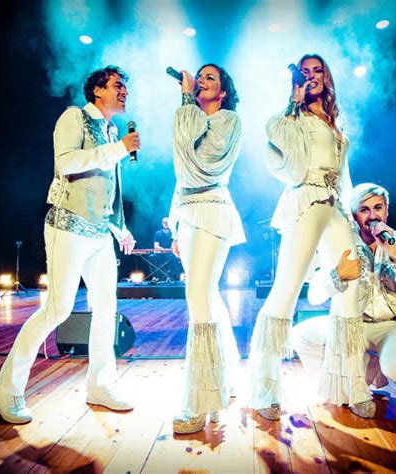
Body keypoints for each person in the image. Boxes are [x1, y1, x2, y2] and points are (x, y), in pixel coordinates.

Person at [0, 65, 140, 424]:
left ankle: (100, 386)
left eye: (125, 87)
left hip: (99, 233)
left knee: (106, 308)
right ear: (97, 91)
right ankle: (7, 388)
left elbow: (107, 190)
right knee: (57, 309)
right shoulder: (74, 117)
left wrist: (120, 228)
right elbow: (67, 164)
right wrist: (118, 149)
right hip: (68, 226)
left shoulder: (112, 130)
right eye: (117, 85)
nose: (124, 91)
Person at [248, 54, 369, 421]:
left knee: (351, 289)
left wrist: (350, 216)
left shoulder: (334, 122)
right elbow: (274, 134)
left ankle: (352, 385)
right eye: (306, 72)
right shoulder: (293, 117)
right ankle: (265, 388)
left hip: (335, 207)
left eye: (318, 71)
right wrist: (293, 102)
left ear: (327, 78)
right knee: (285, 292)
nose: (312, 76)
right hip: (306, 201)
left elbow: (344, 176)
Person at [292, 183, 396, 420]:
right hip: (352, 325)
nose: (372, 216)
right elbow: (314, 295)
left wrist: (394, 254)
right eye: (364, 209)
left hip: (392, 325)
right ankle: (346, 385)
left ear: (387, 211)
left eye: (378, 208)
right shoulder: (342, 244)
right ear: (354, 215)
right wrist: (337, 275)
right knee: (302, 335)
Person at [169, 63, 245, 434]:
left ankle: (201, 401)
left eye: (209, 77)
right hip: (187, 213)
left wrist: (187, 99)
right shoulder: (189, 117)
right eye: (199, 77)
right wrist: (175, 225)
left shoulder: (229, 121)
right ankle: (224, 382)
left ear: (223, 91)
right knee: (208, 298)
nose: (200, 80)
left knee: (198, 298)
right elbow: (181, 172)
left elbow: (202, 164)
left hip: (213, 210)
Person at [147, 216, 178, 281]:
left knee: (174, 258)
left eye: (167, 222)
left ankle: (170, 276)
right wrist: (163, 249)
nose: (166, 224)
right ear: (162, 223)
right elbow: (156, 246)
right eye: (164, 222)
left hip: (170, 253)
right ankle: (156, 276)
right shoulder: (158, 233)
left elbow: (174, 244)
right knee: (151, 257)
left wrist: (169, 249)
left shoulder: (173, 233)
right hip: (160, 254)